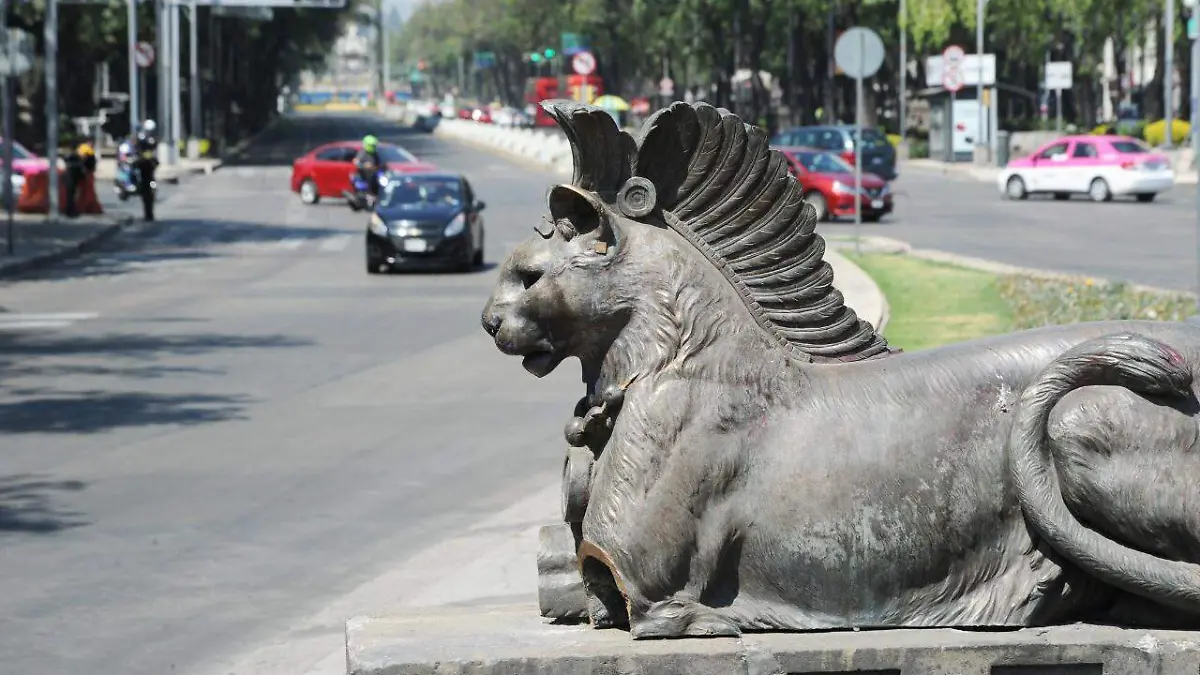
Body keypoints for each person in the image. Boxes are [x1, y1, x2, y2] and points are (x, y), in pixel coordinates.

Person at [63, 143, 97, 218]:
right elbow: (82, 168)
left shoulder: (71, 157)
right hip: (73, 179)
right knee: (72, 195)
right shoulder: (78, 157)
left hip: (70, 179)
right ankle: (70, 211)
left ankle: (70, 210)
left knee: (70, 195)